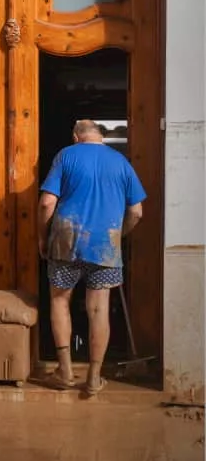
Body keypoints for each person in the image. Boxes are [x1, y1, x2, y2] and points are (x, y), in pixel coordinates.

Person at [37, 119, 146, 397]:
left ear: (76, 137)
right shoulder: (121, 162)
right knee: (98, 310)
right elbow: (137, 212)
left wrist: (41, 236)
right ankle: (94, 378)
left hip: (66, 241)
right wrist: (118, 235)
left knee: (60, 301)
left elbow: (47, 202)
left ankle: (65, 372)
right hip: (105, 245)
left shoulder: (66, 155)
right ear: (101, 137)